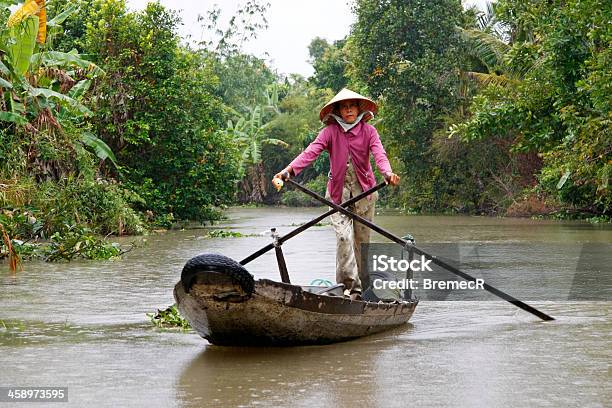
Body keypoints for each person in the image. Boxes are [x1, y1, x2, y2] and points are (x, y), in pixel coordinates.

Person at [272, 88, 400, 300]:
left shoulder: (369, 132)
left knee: (361, 243)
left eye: (352, 106)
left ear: (358, 109)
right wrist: (288, 171)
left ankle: (363, 288)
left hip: (365, 193)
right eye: (344, 107)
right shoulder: (329, 132)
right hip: (337, 194)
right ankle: (350, 288)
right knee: (343, 237)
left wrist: (388, 173)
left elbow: (380, 155)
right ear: (338, 111)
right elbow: (310, 153)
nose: (348, 110)